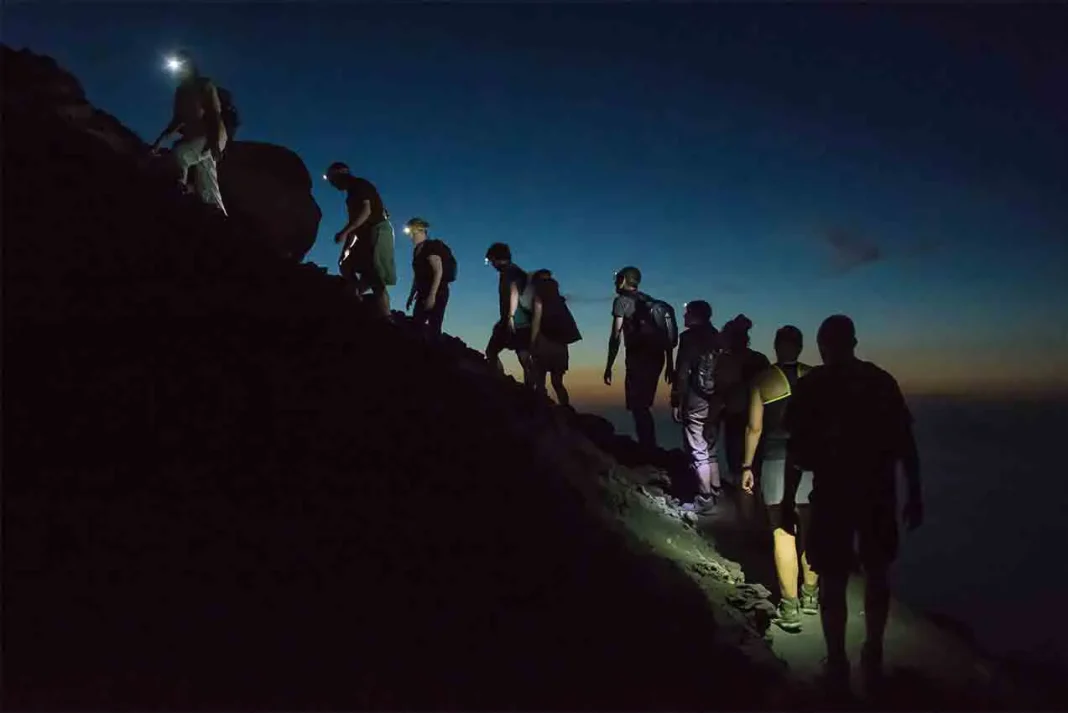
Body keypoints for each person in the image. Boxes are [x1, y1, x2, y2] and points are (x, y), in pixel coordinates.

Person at [784, 315, 923, 696]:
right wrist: (915, 493)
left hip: (832, 494)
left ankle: (837, 664)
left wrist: (788, 498)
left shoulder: (812, 385)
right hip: (878, 492)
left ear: (821, 345)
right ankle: (872, 654)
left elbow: (796, 451)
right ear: (855, 342)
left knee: (832, 578)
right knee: (877, 571)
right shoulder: (880, 381)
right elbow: (905, 442)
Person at [740, 326, 819, 633]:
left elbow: (754, 429)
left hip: (775, 462)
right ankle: (811, 595)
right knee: (810, 531)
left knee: (782, 533)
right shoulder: (816, 377)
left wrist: (747, 466)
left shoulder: (763, 379)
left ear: (776, 346)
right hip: (812, 462)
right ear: (800, 346)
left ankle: (789, 606)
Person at [604, 266, 677, 453]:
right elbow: (665, 336)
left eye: (618, 278)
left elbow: (615, 336)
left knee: (638, 406)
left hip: (638, 358)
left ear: (624, 280)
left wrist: (609, 365)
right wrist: (670, 364)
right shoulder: (651, 302)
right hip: (657, 358)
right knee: (643, 405)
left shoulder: (622, 302)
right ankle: (649, 445)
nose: (615, 282)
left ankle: (647, 448)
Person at [150, 49, 228, 214]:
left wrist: (215, 141)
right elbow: (178, 120)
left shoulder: (204, 84)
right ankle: (219, 214)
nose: (179, 70)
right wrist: (159, 142)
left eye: (182, 65)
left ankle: (179, 190)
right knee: (207, 181)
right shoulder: (180, 92)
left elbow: (214, 113)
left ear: (190, 66)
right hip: (196, 138)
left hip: (211, 136)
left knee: (181, 154)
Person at [324, 162, 397, 319]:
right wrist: (346, 247)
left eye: (332, 178)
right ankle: (354, 295)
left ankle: (387, 319)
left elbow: (366, 211)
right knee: (347, 265)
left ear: (341, 173)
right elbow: (356, 223)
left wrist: (344, 232)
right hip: (364, 234)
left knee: (375, 276)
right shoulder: (351, 194)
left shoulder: (359, 185)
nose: (331, 183)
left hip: (378, 231)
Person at [670, 300, 723, 514]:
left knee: (697, 448)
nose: (684, 316)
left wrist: (676, 400)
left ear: (694, 315)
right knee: (711, 445)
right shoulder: (717, 336)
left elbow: (683, 372)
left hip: (696, 399)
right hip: (717, 399)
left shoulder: (689, 338)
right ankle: (716, 490)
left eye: (687, 313)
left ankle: (705, 499)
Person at [720, 315, 771, 486]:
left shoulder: (727, 361)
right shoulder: (760, 359)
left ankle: (742, 498)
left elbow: (721, 392)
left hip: (735, 417)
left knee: (738, 468)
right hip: (760, 419)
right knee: (755, 468)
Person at [528, 269, 581, 407]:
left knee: (540, 380)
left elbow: (536, 322)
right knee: (557, 382)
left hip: (544, 343)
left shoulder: (538, 298)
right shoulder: (559, 301)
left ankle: (541, 409)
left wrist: (532, 343)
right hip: (560, 345)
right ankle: (567, 409)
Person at [484, 243, 534, 383]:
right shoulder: (517, 271)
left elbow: (513, 293)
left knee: (492, 351)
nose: (491, 264)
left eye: (490, 260)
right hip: (524, 321)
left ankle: (499, 382)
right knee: (524, 356)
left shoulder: (509, 273)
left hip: (513, 321)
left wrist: (509, 317)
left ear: (496, 258)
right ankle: (532, 389)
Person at [403, 217, 454, 334]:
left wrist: (432, 296)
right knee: (417, 325)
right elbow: (417, 276)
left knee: (434, 327)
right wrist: (411, 295)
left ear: (422, 231)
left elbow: (438, 271)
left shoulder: (431, 246)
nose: (411, 237)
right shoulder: (417, 250)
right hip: (423, 292)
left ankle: (433, 345)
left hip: (438, 292)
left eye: (413, 233)